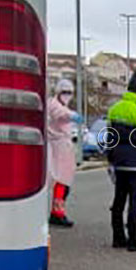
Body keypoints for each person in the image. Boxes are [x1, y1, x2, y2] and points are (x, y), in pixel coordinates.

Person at [106, 71, 136, 252]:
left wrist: (111, 158)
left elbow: (111, 137)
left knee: (118, 201)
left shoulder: (114, 108)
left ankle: (118, 237)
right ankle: (135, 240)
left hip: (119, 161)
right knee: (135, 201)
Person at [47, 79, 82, 227]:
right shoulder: (54, 105)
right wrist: (72, 115)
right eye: (65, 92)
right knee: (61, 180)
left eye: (70, 93)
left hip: (62, 145)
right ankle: (57, 213)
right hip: (58, 145)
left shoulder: (59, 104)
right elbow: (59, 115)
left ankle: (58, 211)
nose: (67, 96)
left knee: (63, 181)